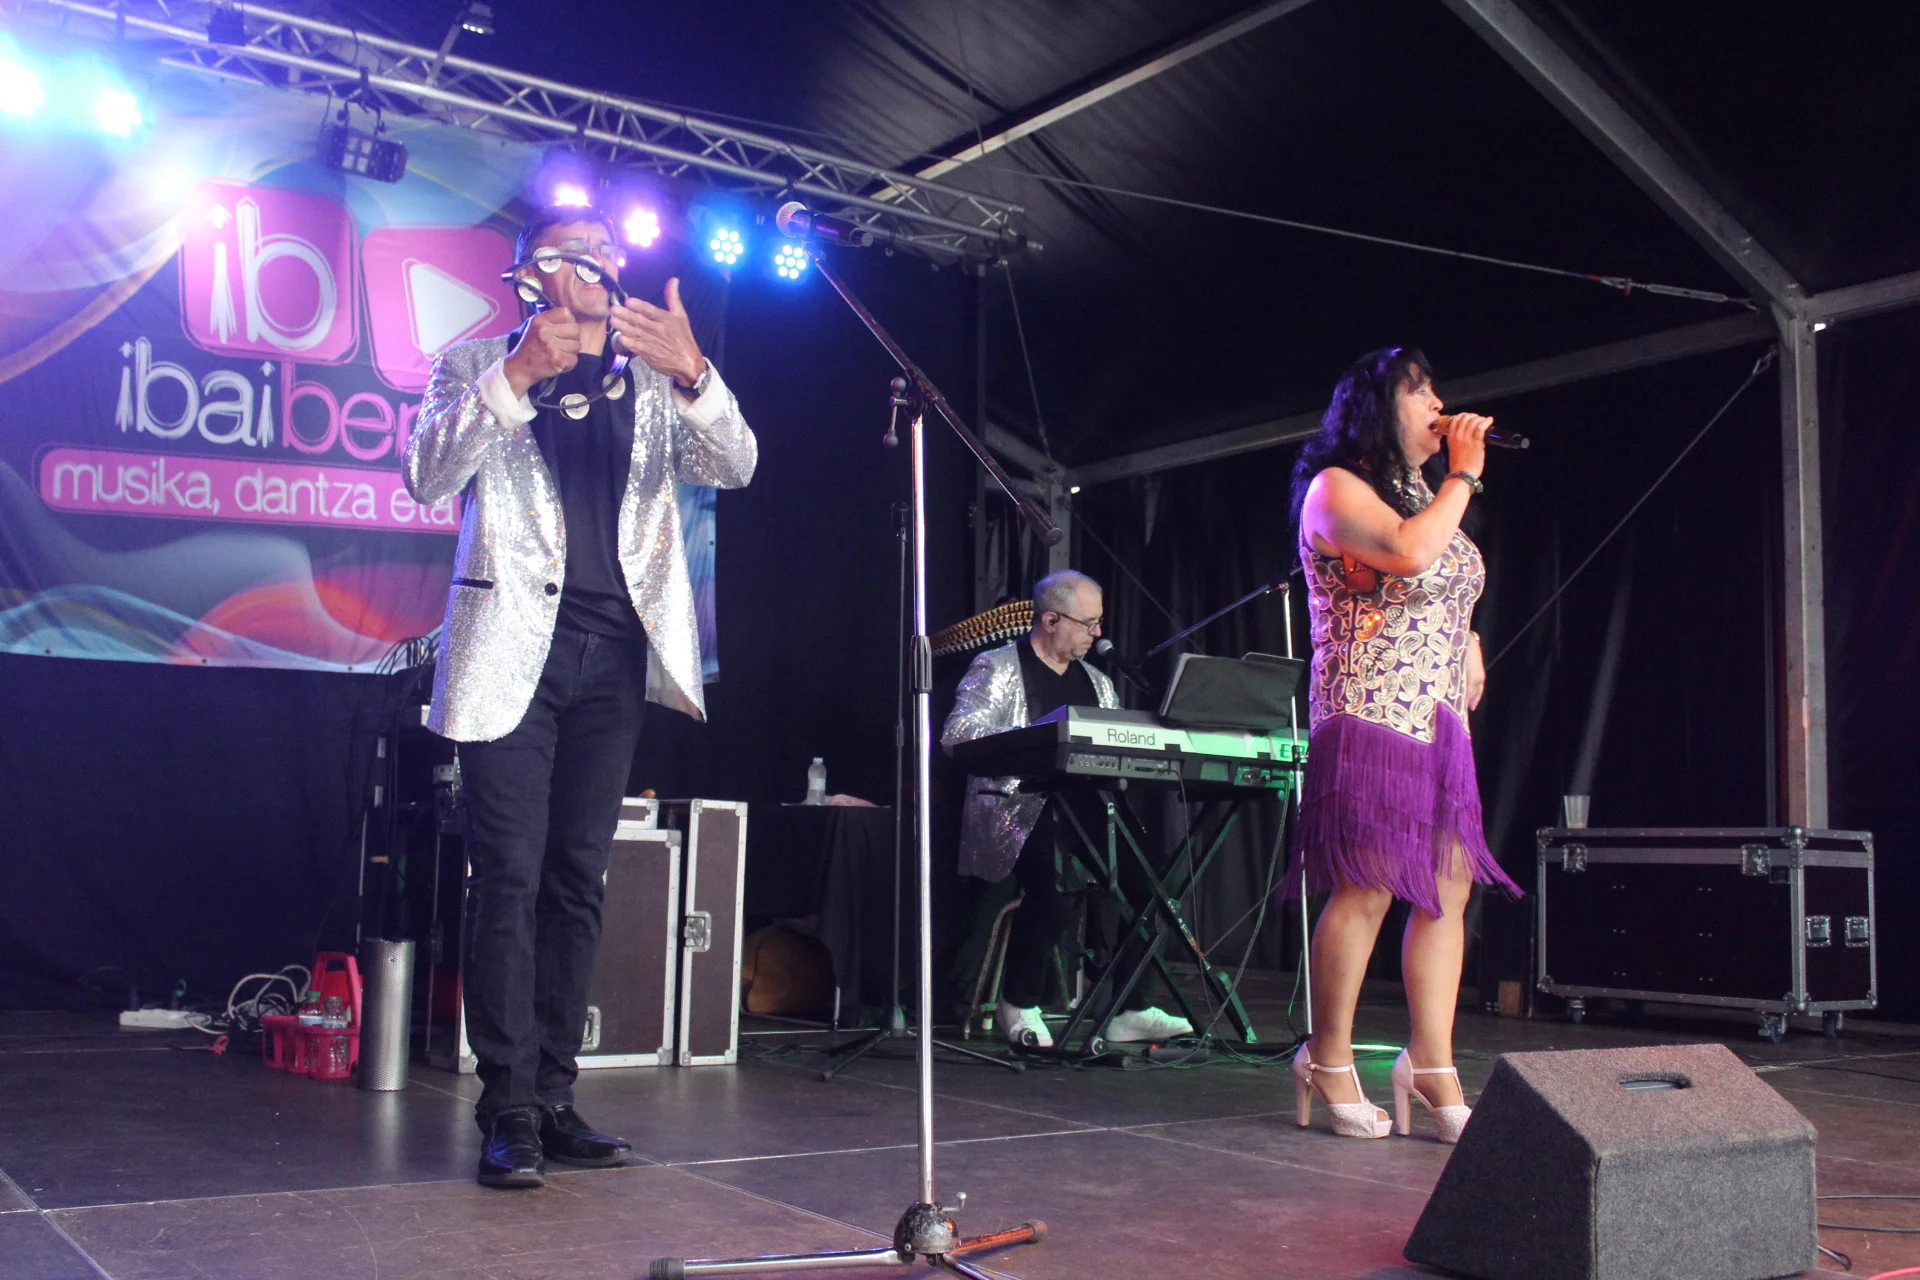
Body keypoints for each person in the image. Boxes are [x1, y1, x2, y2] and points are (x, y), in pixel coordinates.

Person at [404, 206, 756, 1188]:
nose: (602, 263)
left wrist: (695, 374)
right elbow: (427, 475)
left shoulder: (651, 378)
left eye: (610, 251)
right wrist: (515, 377)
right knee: (507, 877)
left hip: (615, 659)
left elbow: (737, 464)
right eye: (578, 252)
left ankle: (555, 1097)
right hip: (510, 650)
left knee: (577, 878)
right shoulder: (473, 364)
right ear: (532, 276)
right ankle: (506, 1105)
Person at [1284, 347, 1519, 1143]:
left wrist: (1469, 637)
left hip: (1438, 714)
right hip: (1369, 709)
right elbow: (1410, 553)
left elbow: (1441, 579)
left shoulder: (1422, 493)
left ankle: (1431, 1064)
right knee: (1368, 886)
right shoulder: (1336, 487)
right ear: (1378, 408)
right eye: (1421, 392)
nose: (1439, 405)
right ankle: (1328, 1056)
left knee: (1448, 887)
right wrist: (1466, 475)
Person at [941, 570, 1194, 1047]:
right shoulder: (997, 666)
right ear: (1051, 620)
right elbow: (958, 735)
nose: (1098, 633)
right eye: (1089, 623)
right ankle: (1019, 1000)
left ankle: (1130, 1006)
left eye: (1099, 622)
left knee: (1157, 878)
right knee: (1057, 876)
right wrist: (1035, 743)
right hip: (1016, 810)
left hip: (1087, 808)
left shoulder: (1098, 683)